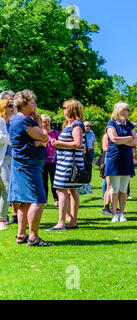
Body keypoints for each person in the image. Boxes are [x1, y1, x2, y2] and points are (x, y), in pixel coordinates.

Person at [9, 90, 51, 246]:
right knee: (38, 200)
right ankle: (33, 237)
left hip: (23, 164)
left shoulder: (17, 120)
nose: (35, 104)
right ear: (23, 104)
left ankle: (21, 235)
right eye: (32, 102)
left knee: (25, 201)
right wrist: (39, 122)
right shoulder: (24, 121)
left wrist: (39, 139)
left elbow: (40, 139)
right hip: (28, 165)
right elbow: (45, 137)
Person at [49, 100, 86, 231]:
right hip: (66, 162)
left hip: (69, 164)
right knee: (71, 191)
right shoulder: (70, 124)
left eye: (65, 108)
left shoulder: (76, 125)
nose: (63, 110)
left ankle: (61, 223)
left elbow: (78, 144)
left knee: (61, 190)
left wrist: (60, 144)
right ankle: (72, 221)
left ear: (71, 109)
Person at [105, 102, 137, 223]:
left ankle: (122, 213)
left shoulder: (129, 124)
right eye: (126, 109)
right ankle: (114, 214)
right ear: (120, 110)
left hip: (126, 159)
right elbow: (114, 139)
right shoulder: (111, 123)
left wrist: (124, 140)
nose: (128, 111)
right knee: (114, 188)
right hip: (114, 159)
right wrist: (128, 138)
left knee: (124, 188)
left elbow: (135, 141)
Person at [0, 99, 14, 231]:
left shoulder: (12, 121)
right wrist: (10, 138)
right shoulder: (0, 121)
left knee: (6, 189)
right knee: (6, 188)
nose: (13, 108)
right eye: (10, 106)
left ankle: (3, 218)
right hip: (1, 159)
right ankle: (2, 220)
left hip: (11, 157)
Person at [41, 114, 60, 206]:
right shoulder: (39, 133)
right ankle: (45, 200)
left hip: (54, 161)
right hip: (43, 161)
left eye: (48, 121)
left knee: (54, 181)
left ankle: (56, 199)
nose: (47, 123)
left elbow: (61, 144)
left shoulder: (56, 133)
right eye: (44, 122)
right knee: (44, 181)